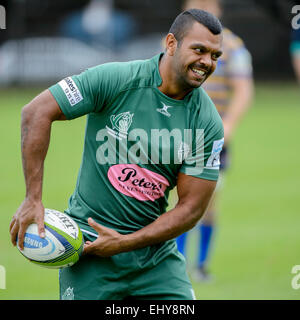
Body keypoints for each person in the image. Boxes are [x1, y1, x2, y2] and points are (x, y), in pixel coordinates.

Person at [10, 9, 224, 300]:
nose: (206, 62)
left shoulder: (207, 122)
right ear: (171, 43)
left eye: (214, 55)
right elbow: (36, 112)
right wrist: (32, 198)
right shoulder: (116, 79)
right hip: (89, 251)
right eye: (199, 50)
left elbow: (191, 209)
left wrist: (124, 243)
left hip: (155, 261)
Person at [176, 0, 253, 281]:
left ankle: (201, 265)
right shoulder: (174, 42)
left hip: (212, 138)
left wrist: (228, 125)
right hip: (177, 134)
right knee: (176, 199)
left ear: (219, 9)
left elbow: (244, 90)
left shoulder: (233, 46)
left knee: (208, 202)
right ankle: (178, 264)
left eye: (208, 3)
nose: (203, 7)